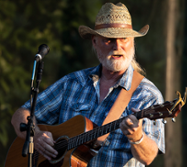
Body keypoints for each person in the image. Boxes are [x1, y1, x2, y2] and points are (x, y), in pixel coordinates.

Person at [11, 2, 174, 167]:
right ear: (95, 42)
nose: (117, 46)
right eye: (109, 39)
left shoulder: (147, 94)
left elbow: (149, 157)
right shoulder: (72, 83)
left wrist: (137, 136)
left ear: (132, 42)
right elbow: (21, 115)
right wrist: (36, 135)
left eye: (124, 38)